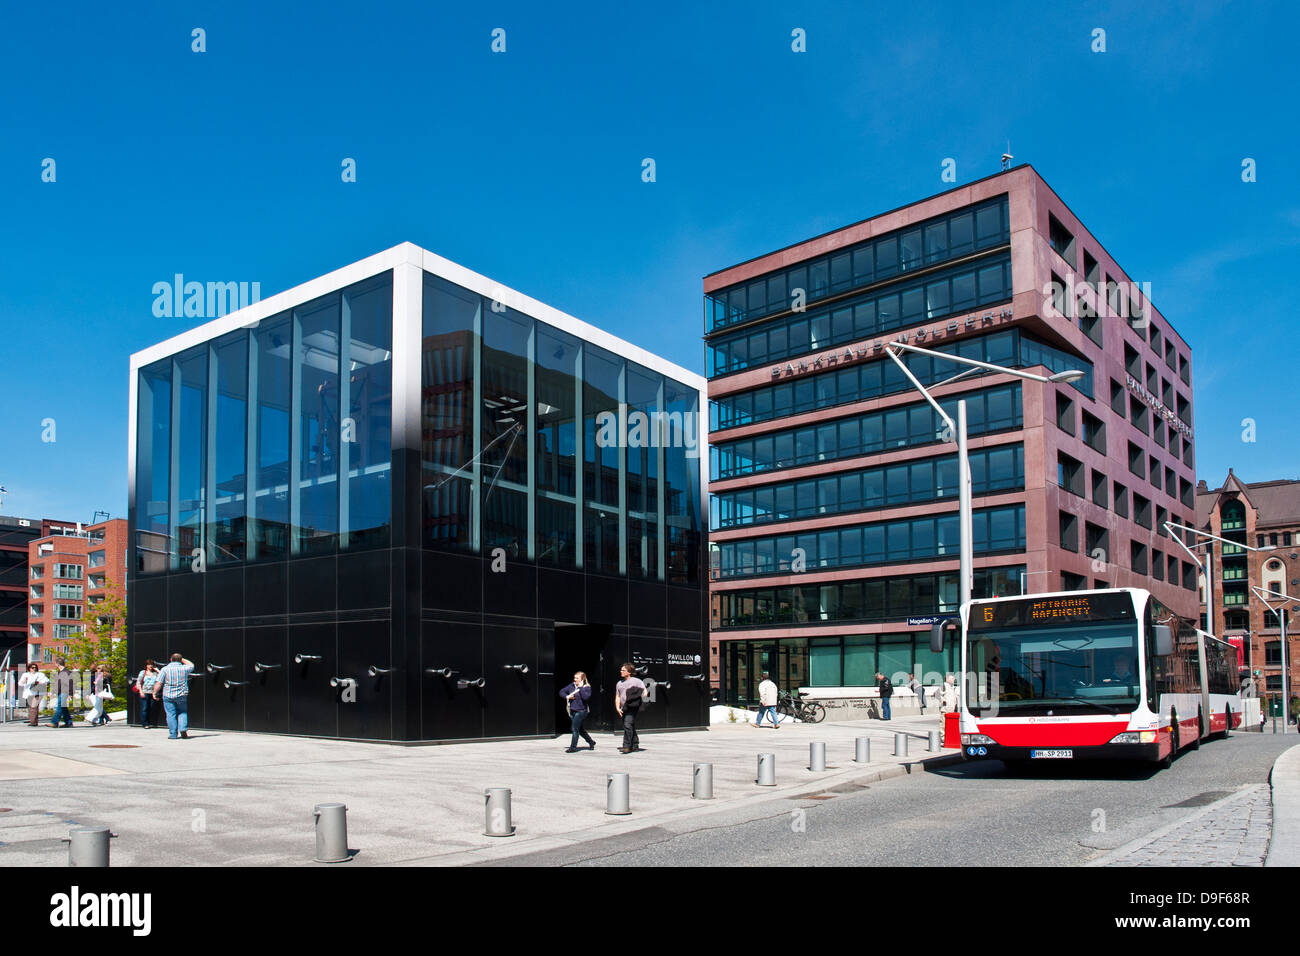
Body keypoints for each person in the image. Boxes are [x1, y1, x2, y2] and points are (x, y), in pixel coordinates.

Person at [153, 653, 195, 739]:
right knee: (182, 712)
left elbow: (159, 683)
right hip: (182, 694)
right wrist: (182, 659)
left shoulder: (165, 669)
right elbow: (191, 665)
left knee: (170, 714)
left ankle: (173, 734)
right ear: (181, 660)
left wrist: (154, 692)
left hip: (168, 694)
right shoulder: (184, 668)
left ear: (170, 659)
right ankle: (183, 728)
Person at [560, 671, 596, 752]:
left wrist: (580, 688)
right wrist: (567, 696)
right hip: (573, 710)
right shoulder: (571, 685)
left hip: (582, 711)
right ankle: (591, 742)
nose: (575, 679)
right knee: (580, 730)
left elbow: (585, 698)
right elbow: (561, 691)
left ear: (582, 679)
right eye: (574, 677)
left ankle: (573, 747)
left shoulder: (586, 687)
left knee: (574, 728)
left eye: (577, 678)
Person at [614, 662, 646, 754]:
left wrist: (637, 700)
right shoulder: (619, 683)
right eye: (621, 670)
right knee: (629, 725)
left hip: (632, 707)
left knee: (627, 725)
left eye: (623, 670)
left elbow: (645, 692)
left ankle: (626, 746)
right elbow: (618, 696)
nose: (621, 671)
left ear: (629, 672)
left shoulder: (636, 681)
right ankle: (635, 745)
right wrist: (617, 707)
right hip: (624, 707)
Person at [49, 658, 75, 728]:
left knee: (59, 706)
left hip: (65, 692)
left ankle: (54, 722)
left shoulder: (66, 672)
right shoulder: (61, 672)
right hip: (61, 692)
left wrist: (70, 693)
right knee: (63, 708)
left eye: (55, 663)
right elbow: (58, 684)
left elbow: (70, 683)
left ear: (57, 664)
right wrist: (54, 691)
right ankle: (68, 722)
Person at [136, 659, 160, 729]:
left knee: (151, 707)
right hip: (145, 692)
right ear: (146, 665)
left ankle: (149, 722)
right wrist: (141, 691)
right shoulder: (143, 672)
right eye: (149, 664)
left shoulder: (155, 673)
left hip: (152, 692)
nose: (151, 666)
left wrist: (157, 670)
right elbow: (138, 682)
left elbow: (162, 676)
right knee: (144, 708)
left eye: (152, 664)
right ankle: (145, 723)